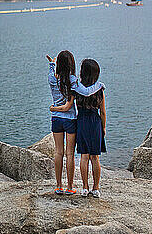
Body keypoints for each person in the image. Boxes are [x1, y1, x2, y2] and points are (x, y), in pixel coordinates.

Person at [46, 51, 104, 195]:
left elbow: (53, 70)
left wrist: (52, 64)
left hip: (56, 118)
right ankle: (70, 186)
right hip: (70, 119)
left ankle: (59, 185)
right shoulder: (72, 80)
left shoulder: (52, 78)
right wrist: (100, 85)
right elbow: (85, 91)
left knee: (58, 152)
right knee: (70, 154)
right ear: (72, 64)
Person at [74, 59, 107, 198]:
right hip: (95, 123)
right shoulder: (99, 89)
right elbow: (103, 112)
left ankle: (85, 187)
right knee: (95, 157)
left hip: (82, 122)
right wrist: (103, 128)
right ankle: (96, 188)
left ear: (82, 72)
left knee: (84, 156)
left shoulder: (78, 88)